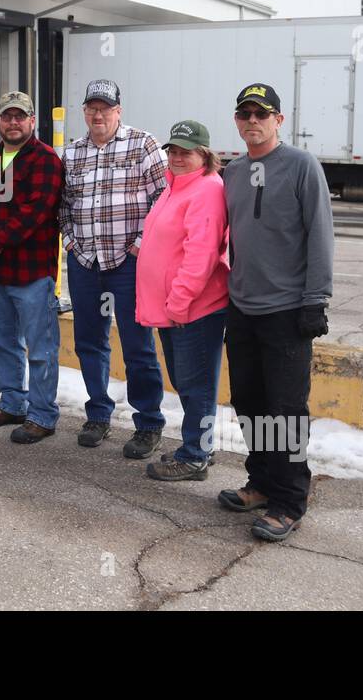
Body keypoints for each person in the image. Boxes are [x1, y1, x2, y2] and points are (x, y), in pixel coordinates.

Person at [219, 83, 334, 542]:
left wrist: (316, 299)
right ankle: (262, 483)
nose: (252, 121)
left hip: (288, 311)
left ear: (278, 120)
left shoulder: (302, 167)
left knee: (284, 411)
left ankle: (289, 501)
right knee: (249, 403)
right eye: (244, 114)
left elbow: (320, 234)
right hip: (242, 307)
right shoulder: (232, 172)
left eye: (261, 114)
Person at [59, 78, 167, 458]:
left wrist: (140, 247)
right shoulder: (71, 154)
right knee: (90, 341)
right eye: (92, 107)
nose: (98, 114)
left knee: (138, 345)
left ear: (119, 111)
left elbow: (164, 198)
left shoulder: (143, 145)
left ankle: (149, 422)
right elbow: (63, 205)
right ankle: (98, 415)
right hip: (86, 263)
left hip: (130, 264)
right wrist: (71, 243)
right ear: (85, 112)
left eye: (106, 107)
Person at [134, 120, 229, 482]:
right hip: (176, 311)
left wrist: (178, 302)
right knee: (187, 381)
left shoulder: (206, 191)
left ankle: (194, 456)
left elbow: (200, 256)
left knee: (197, 384)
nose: (175, 157)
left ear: (203, 155)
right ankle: (199, 445)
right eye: (172, 150)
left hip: (193, 311)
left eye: (184, 152)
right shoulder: (175, 187)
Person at [0, 91, 64, 444]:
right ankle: (12, 403)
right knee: (1, 342)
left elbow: (36, 211)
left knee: (40, 349)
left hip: (33, 274)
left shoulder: (45, 160)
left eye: (20, 116)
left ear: (31, 121)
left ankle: (42, 414)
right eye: (7, 116)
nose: (13, 122)